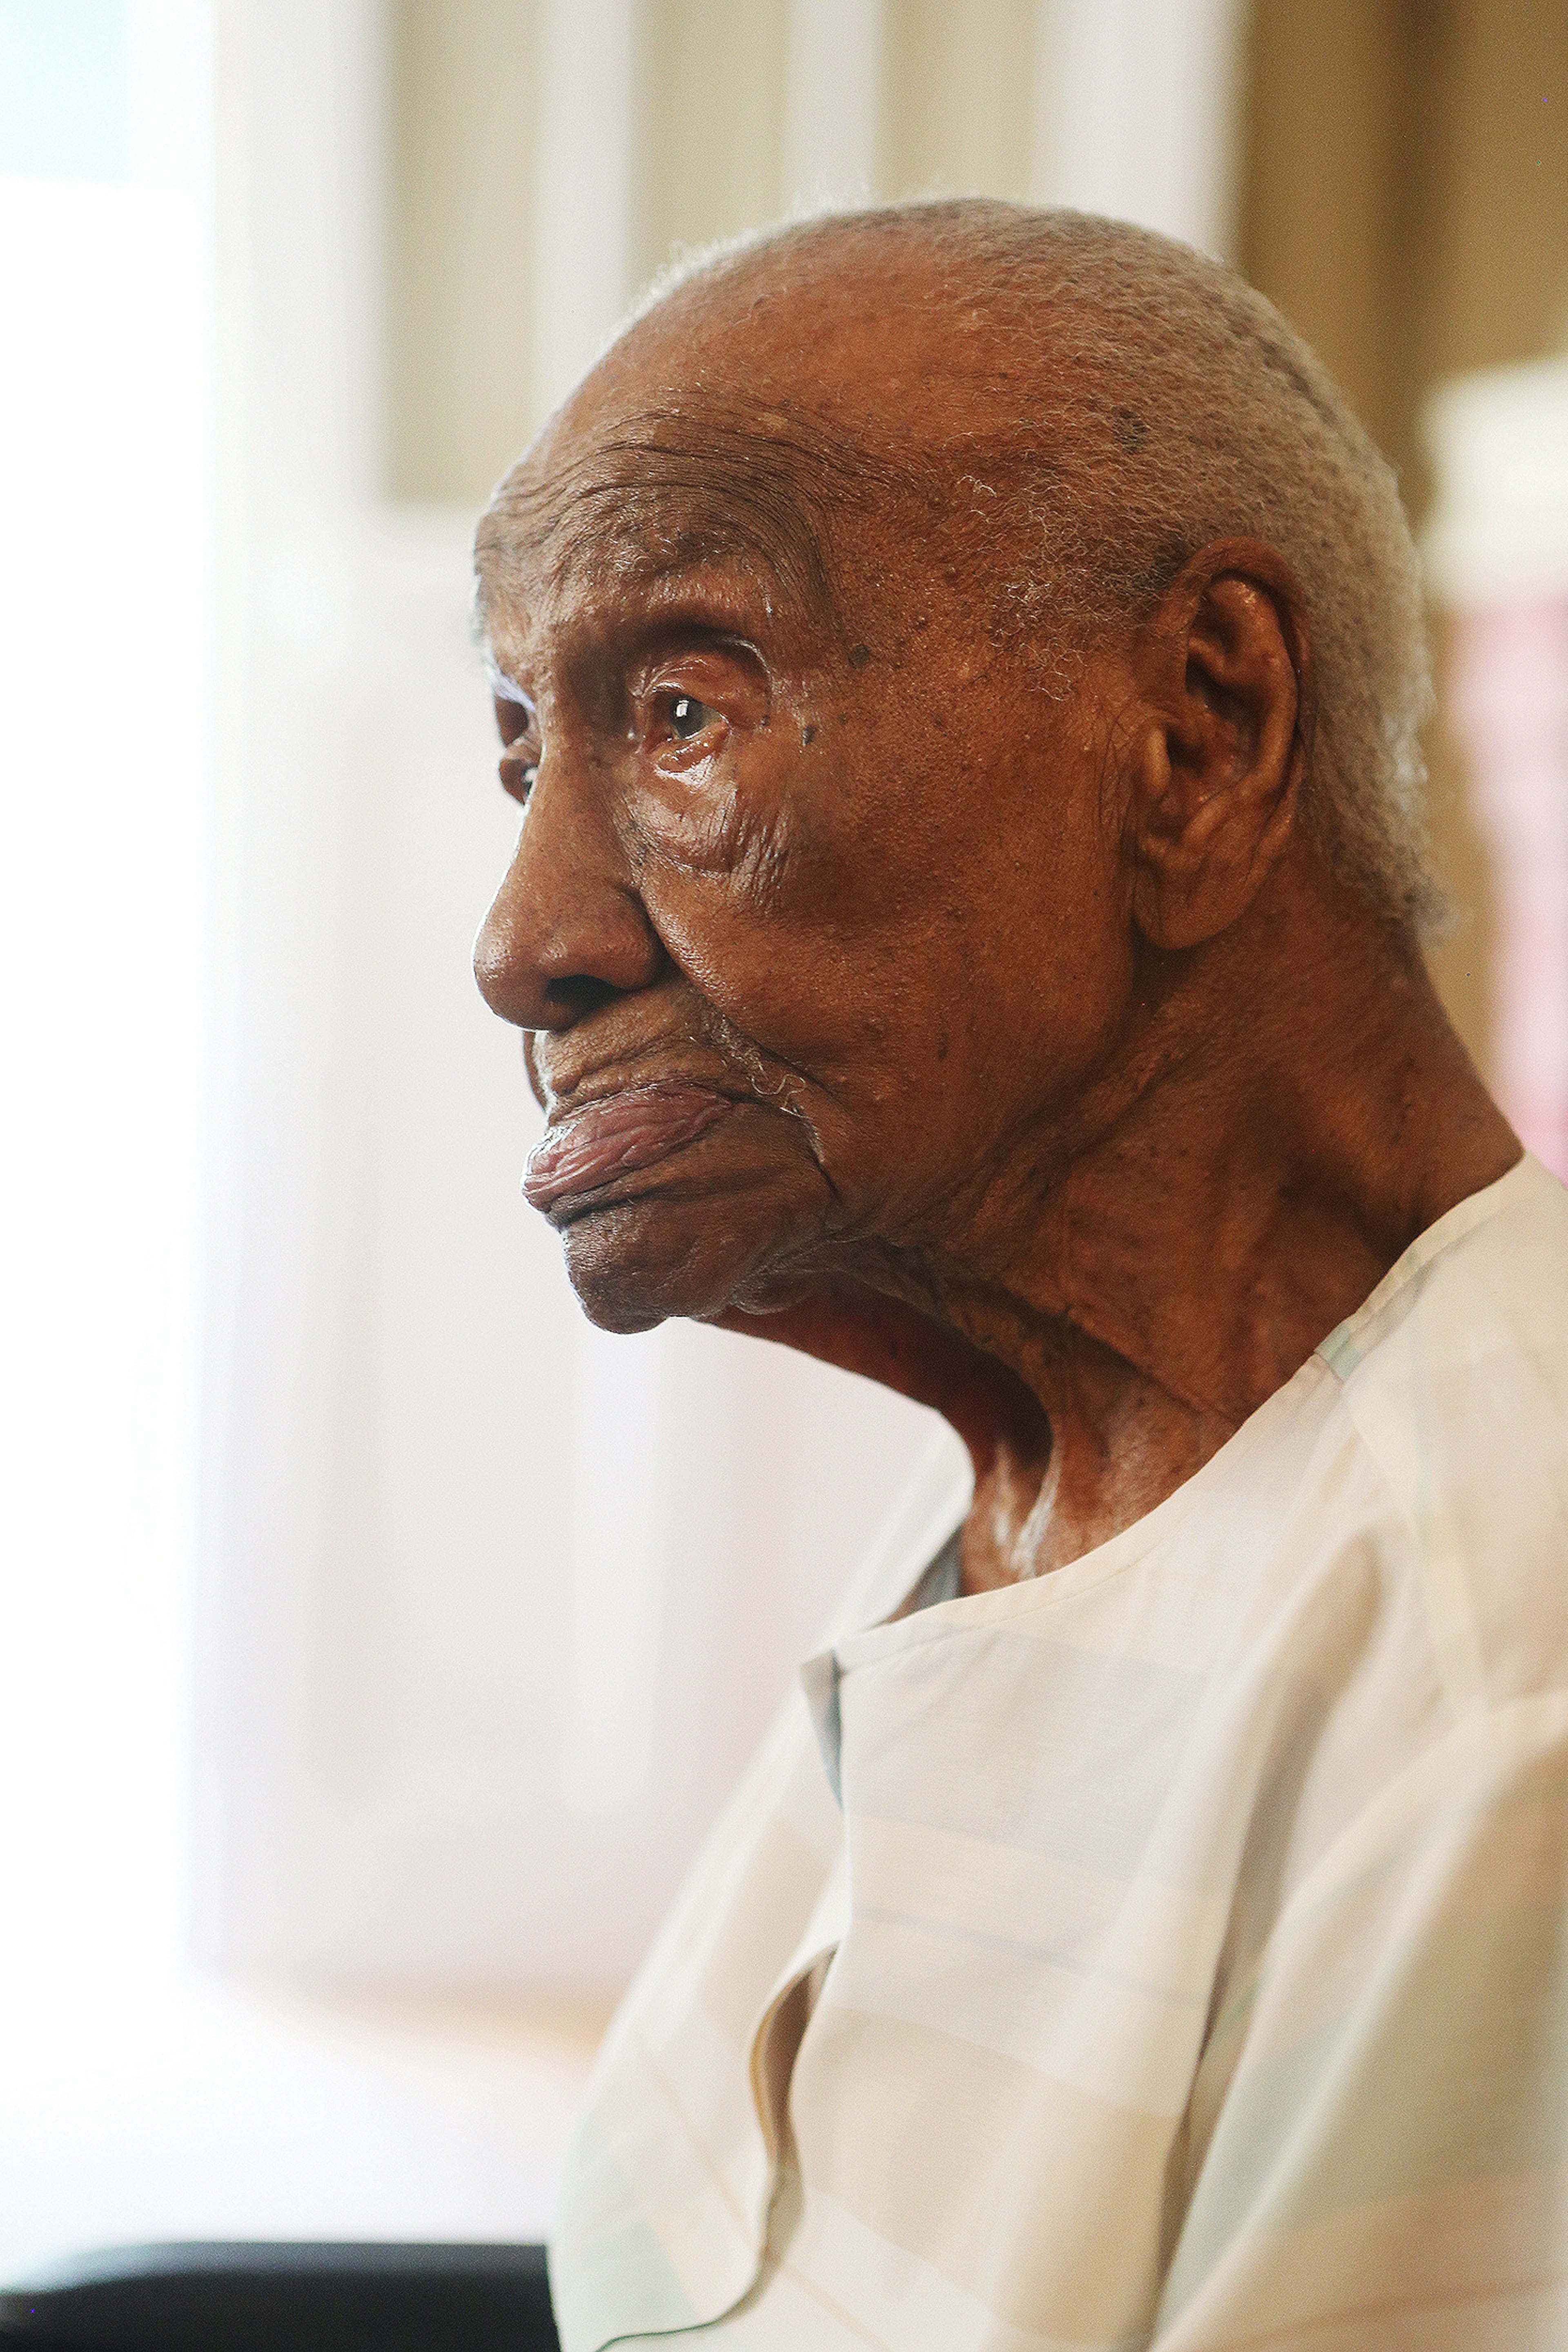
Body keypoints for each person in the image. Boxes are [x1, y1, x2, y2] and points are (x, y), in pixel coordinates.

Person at [472, 201, 1568, 2350]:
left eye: (683, 706)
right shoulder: (1066, 1460)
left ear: (1197, 738)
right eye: (528, 746)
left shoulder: (1499, 1716)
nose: (523, 935)